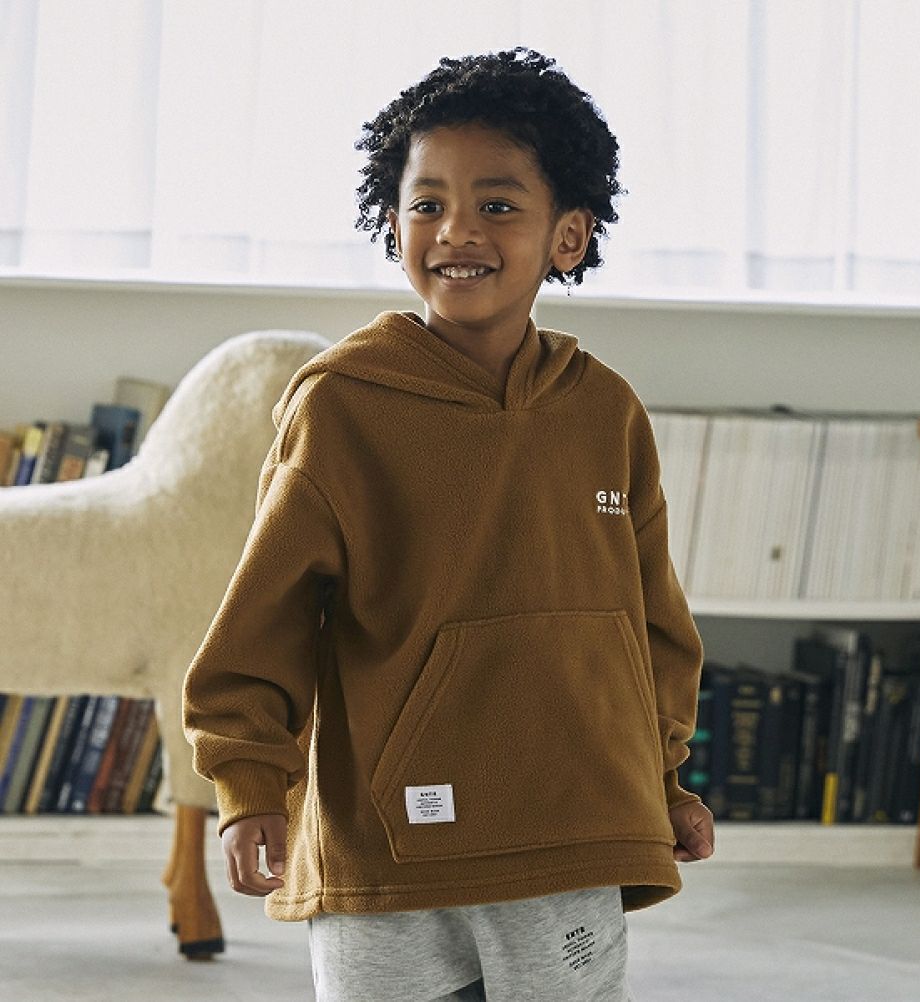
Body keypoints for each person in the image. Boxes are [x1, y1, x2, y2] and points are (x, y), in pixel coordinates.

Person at [183, 47, 714, 1002]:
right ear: (392, 226)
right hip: (387, 848)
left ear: (568, 236)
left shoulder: (605, 412)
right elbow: (266, 615)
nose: (457, 230)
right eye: (427, 203)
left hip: (570, 831)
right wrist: (249, 783)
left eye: (498, 205)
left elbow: (649, 626)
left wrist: (662, 782)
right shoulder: (341, 407)